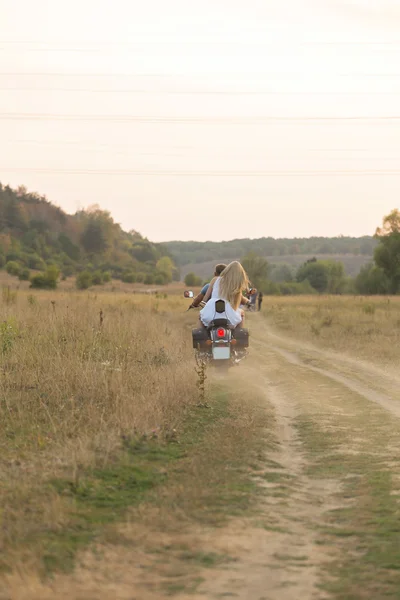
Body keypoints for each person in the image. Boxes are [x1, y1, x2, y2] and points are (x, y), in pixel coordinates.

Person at [199, 261, 250, 329]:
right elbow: (239, 302)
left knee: (201, 316)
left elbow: (205, 299)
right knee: (242, 314)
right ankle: (239, 337)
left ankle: (202, 337)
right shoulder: (236, 285)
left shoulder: (216, 279)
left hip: (211, 308)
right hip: (229, 314)